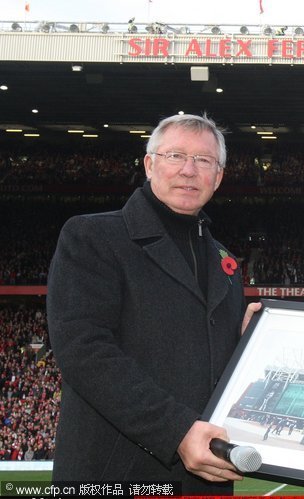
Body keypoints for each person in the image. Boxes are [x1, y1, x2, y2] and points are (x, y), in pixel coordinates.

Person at [47, 113, 260, 495]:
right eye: (175, 155)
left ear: (219, 176)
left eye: (204, 161)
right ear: (149, 164)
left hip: (204, 481)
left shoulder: (225, 264)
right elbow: (83, 350)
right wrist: (176, 431)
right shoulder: (93, 236)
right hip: (115, 475)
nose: (189, 170)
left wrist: (246, 345)